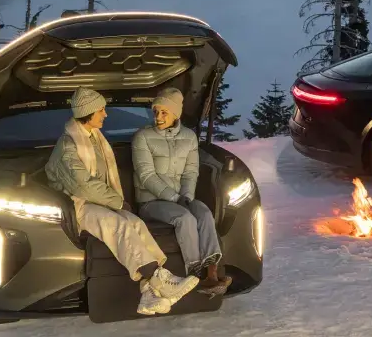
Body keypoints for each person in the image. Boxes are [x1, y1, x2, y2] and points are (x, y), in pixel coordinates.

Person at [44, 87, 200, 315]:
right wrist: (116, 201)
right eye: (101, 111)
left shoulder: (94, 138)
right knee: (117, 224)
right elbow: (83, 185)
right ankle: (159, 278)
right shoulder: (69, 146)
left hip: (96, 201)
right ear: (89, 112)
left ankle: (149, 293)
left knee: (135, 222)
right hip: (76, 204)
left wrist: (117, 203)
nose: (105, 115)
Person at [132, 87, 233, 296]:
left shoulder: (189, 137)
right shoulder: (143, 137)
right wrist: (175, 198)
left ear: (175, 114)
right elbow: (147, 176)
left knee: (204, 212)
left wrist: (186, 196)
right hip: (151, 201)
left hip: (181, 198)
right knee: (185, 218)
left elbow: (190, 172)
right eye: (156, 112)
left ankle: (212, 272)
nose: (158, 117)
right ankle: (193, 273)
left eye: (164, 112)